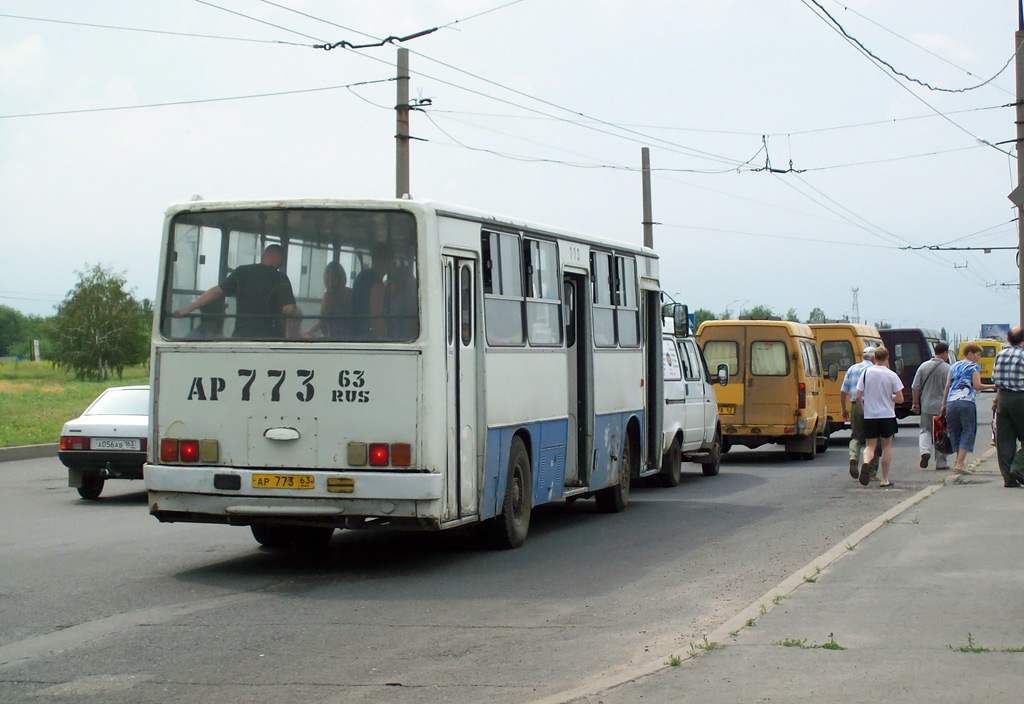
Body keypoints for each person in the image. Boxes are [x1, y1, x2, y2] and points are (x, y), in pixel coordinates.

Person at [172, 244, 300, 339]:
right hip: (269, 337)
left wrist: (188, 309)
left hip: (240, 336)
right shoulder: (280, 278)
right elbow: (289, 309)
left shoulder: (242, 272)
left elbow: (215, 291)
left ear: (264, 255)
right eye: (282, 261)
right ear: (278, 257)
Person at [941, 342, 995, 474]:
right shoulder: (973, 367)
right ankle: (959, 464)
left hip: (951, 402)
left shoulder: (954, 366)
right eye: (978, 354)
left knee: (955, 432)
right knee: (968, 431)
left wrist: (943, 404)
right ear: (970, 353)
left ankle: (958, 461)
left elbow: (947, 386)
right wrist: (993, 386)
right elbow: (977, 386)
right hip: (966, 401)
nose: (979, 357)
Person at [855, 346, 904, 488]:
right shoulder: (891, 375)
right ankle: (884, 479)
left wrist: (864, 410)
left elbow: (858, 396)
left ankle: (865, 462)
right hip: (887, 415)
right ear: (887, 358)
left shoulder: (865, 373)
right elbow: (900, 398)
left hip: (870, 415)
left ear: (874, 358)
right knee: (886, 447)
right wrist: (890, 397)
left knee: (870, 446)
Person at [910, 341, 951, 470]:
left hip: (926, 405)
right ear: (945, 353)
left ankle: (925, 452)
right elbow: (950, 388)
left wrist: (915, 403)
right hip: (942, 407)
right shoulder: (948, 369)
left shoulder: (923, 366)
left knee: (925, 430)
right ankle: (941, 462)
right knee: (941, 433)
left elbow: (915, 387)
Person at [840, 346, 879, 481]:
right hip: (871, 405)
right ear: (874, 357)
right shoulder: (874, 370)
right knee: (873, 438)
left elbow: (843, 390)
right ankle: (872, 471)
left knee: (856, 436)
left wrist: (844, 408)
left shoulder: (852, 369)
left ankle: (853, 457)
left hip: (855, 405)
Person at [992, 326, 1024, 488]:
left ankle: (1008, 479)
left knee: (1005, 440)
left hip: (1003, 398)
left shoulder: (1001, 354)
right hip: (1021, 397)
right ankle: (1018, 467)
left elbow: (995, 379)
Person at [351, 244, 394, 340]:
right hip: (367, 336)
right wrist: (386, 338)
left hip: (354, 332)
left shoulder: (361, 276)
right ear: (386, 261)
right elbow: (375, 319)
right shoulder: (376, 284)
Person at [305, 262, 351, 338]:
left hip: (335, 339)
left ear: (327, 277)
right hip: (352, 338)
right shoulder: (351, 292)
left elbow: (322, 321)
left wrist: (306, 332)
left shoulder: (330, 296)